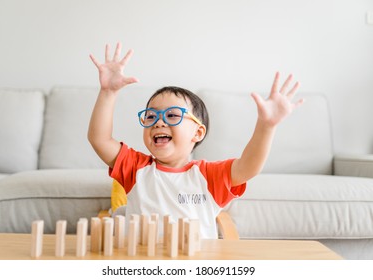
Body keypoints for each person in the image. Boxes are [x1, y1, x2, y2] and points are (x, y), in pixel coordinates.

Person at [88, 42, 304, 238]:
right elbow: (99, 139)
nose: (159, 122)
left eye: (172, 115)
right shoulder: (136, 168)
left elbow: (249, 167)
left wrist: (266, 126)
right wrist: (108, 93)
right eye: (151, 116)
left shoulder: (208, 176)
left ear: (198, 133)